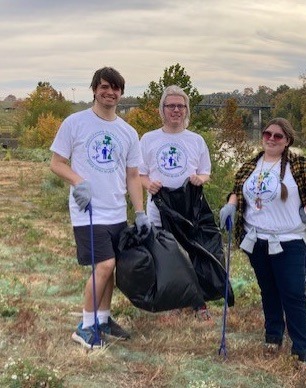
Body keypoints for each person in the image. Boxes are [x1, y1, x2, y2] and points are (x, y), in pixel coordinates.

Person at [219, 117, 306, 365]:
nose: (271, 139)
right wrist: (230, 205)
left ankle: (302, 349)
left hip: (289, 240)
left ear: (287, 141)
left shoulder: (299, 164)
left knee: (293, 294)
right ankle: (273, 336)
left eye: (278, 136)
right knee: (268, 291)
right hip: (256, 240)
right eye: (267, 134)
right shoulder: (251, 164)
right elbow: (237, 190)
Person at [50, 67, 150, 349]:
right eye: (104, 87)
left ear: (121, 93)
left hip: (117, 210)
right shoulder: (75, 123)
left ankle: (103, 319)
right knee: (104, 265)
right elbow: (57, 163)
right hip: (88, 211)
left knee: (112, 268)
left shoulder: (128, 132)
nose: (110, 92)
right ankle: (85, 326)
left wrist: (140, 212)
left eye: (115, 88)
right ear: (94, 89)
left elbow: (132, 176)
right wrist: (78, 181)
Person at [139, 85, 213, 320]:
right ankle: (170, 299)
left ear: (186, 110)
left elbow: (205, 172)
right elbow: (139, 174)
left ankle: (198, 301)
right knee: (164, 254)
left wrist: (199, 179)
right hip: (159, 207)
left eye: (180, 106)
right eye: (171, 105)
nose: (176, 110)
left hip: (189, 207)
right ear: (162, 109)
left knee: (193, 253)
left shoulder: (196, 140)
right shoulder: (149, 139)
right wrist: (147, 184)